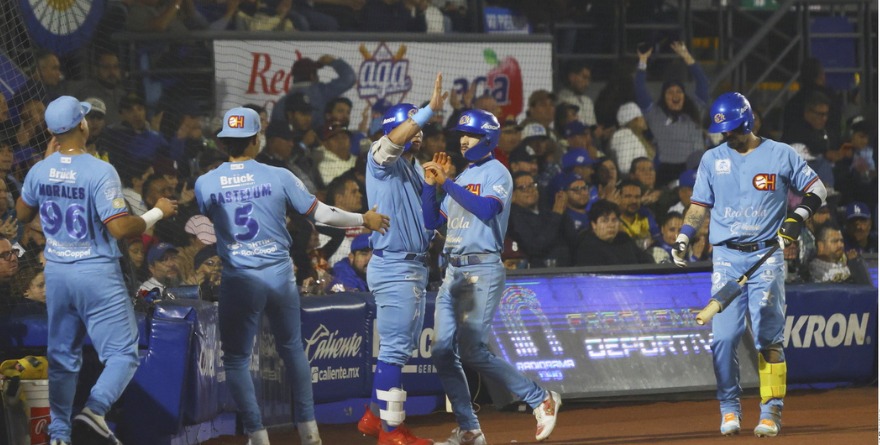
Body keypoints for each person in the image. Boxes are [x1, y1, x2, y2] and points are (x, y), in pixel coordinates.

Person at [194, 106, 389, 445]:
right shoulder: (278, 175)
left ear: (225, 143)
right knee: (292, 350)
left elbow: (209, 218)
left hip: (239, 276)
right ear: (257, 139)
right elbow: (323, 214)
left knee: (237, 360)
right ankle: (309, 432)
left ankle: (257, 435)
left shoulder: (205, 182)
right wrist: (363, 218)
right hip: (277, 273)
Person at [15, 96, 178, 445]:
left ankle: (59, 435)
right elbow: (121, 229)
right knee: (122, 354)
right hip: (95, 272)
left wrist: (44, 168)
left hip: (57, 272)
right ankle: (94, 410)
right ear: (82, 125)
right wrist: (158, 212)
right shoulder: (100, 170)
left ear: (50, 131)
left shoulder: (39, 170)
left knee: (62, 356)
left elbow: (22, 214)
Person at [671, 92, 827, 438]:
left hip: (767, 255)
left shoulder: (781, 154)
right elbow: (698, 206)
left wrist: (798, 216)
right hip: (726, 257)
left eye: (735, 130)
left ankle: (771, 410)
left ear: (749, 122)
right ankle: (729, 407)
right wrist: (684, 235)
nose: (729, 137)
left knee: (768, 337)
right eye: (724, 132)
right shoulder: (712, 159)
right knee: (723, 338)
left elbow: (818, 189)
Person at [421, 108, 562, 445]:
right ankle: (469, 429)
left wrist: (448, 183)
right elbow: (431, 221)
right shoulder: (464, 175)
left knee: (471, 350)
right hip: (453, 269)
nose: (463, 140)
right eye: (461, 135)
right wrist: (431, 187)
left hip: (482, 268)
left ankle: (539, 398)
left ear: (487, 138)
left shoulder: (498, 172)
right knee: (441, 350)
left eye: (469, 135)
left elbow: (486, 210)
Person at [356, 74, 446, 445]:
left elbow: (429, 223)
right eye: (411, 124)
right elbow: (392, 142)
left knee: (399, 348)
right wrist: (427, 111)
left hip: (409, 265)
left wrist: (437, 189)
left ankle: (372, 418)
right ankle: (392, 432)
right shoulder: (381, 156)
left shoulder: (411, 168)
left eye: (419, 125)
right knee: (394, 350)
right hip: (395, 264)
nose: (419, 132)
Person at [635, 41, 709, 186]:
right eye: (670, 92)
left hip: (697, 170)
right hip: (668, 173)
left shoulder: (694, 111)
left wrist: (686, 55)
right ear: (663, 97)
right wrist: (643, 61)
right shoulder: (656, 114)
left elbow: (703, 84)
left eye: (679, 91)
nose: (675, 95)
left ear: (684, 95)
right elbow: (640, 90)